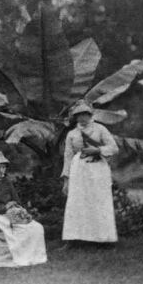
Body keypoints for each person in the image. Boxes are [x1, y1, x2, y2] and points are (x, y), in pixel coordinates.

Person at [61, 101, 119, 243]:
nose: (82, 117)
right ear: (75, 117)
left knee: (99, 201)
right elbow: (68, 156)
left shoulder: (100, 129)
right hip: (79, 170)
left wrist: (98, 150)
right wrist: (66, 180)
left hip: (97, 169)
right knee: (77, 202)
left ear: (90, 114)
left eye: (85, 114)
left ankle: (103, 239)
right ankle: (74, 239)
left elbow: (114, 148)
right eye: (79, 115)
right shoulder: (72, 134)